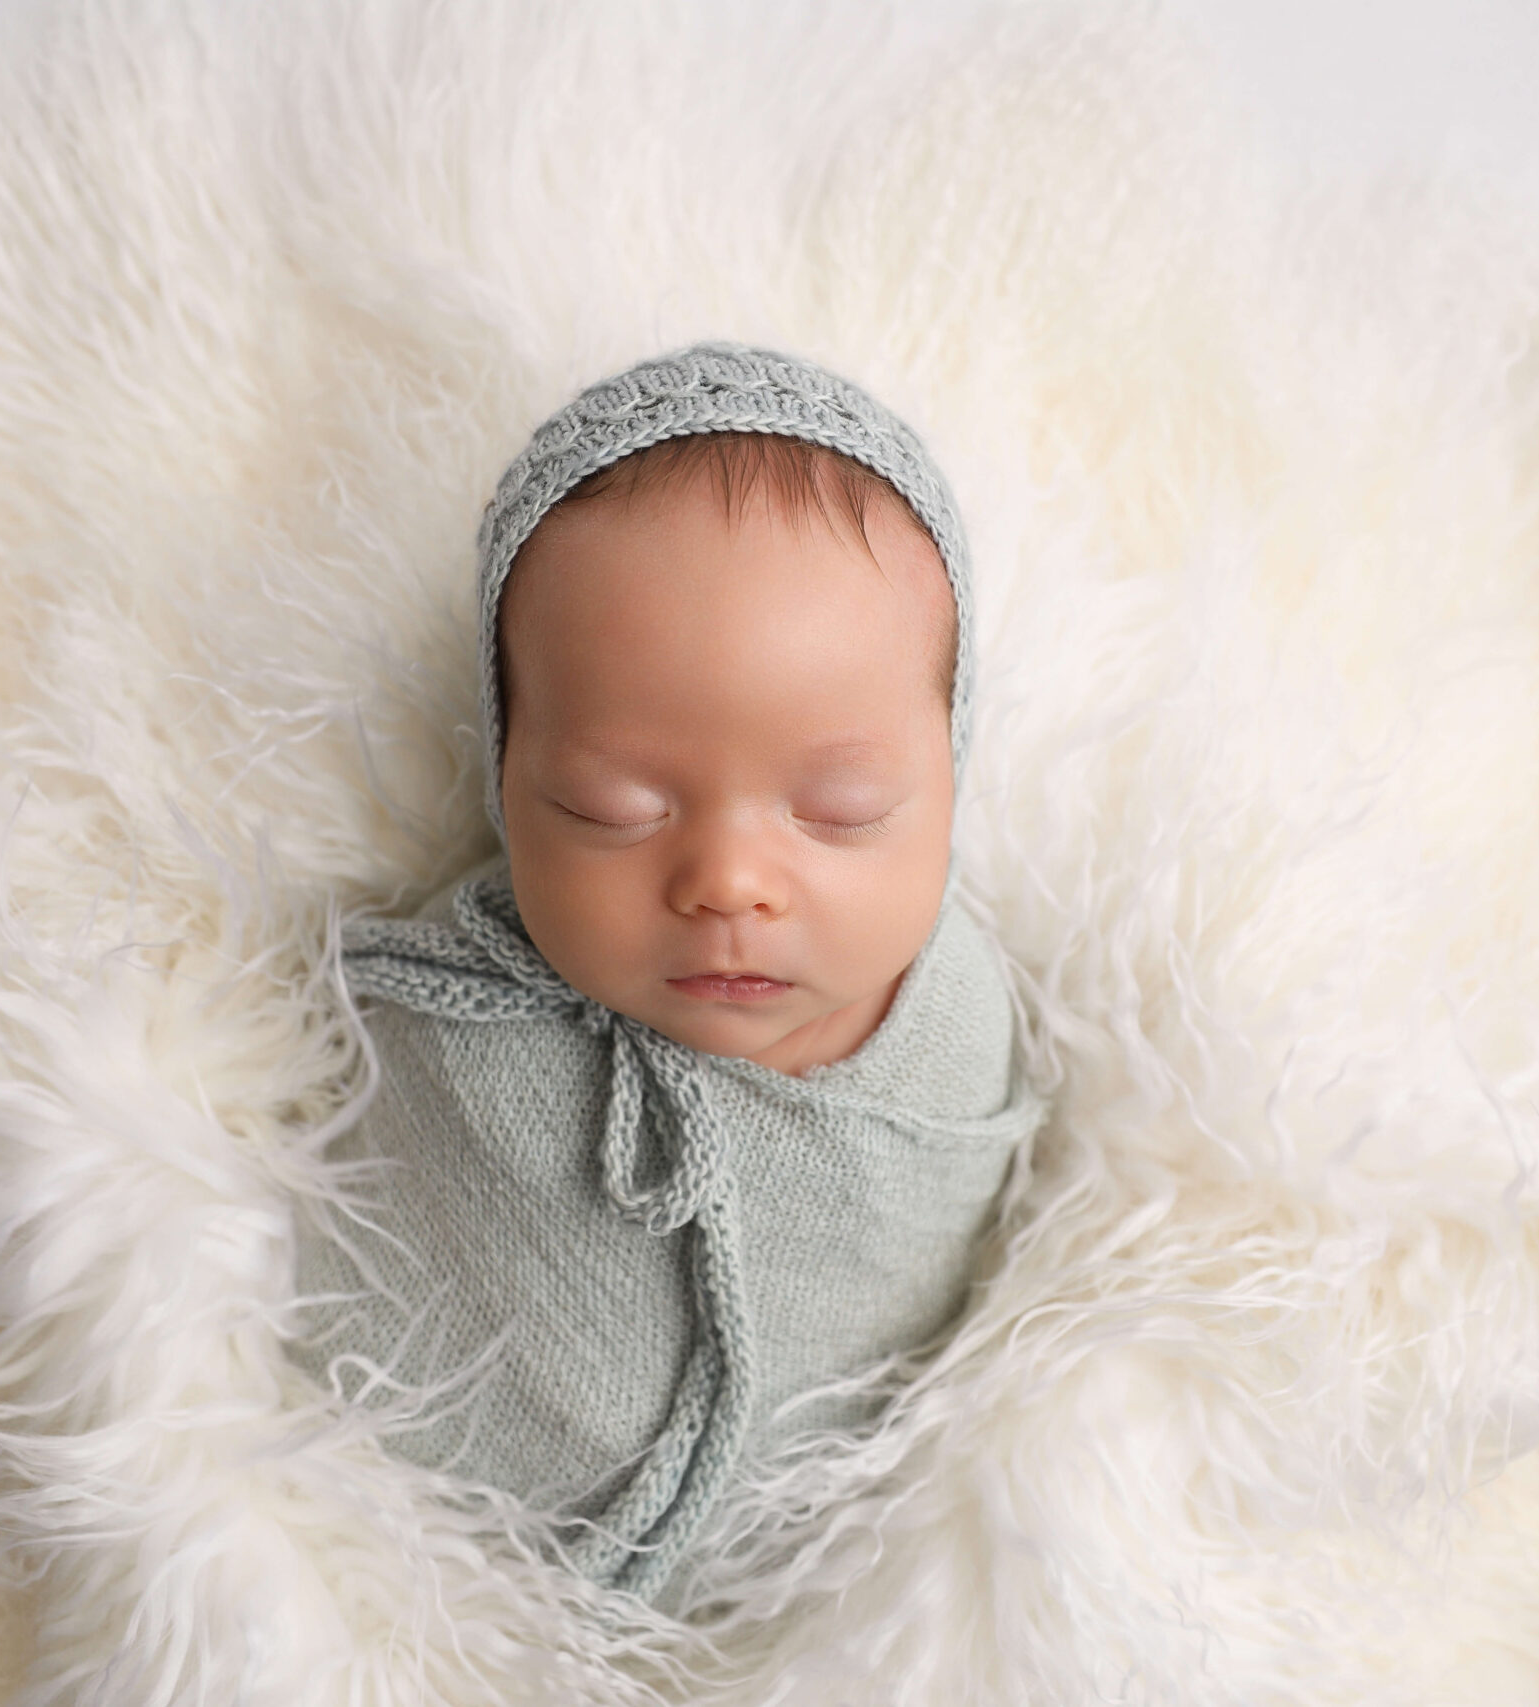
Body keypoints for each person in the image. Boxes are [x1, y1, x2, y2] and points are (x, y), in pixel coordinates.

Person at [290, 344, 1045, 1605]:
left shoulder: (961, 1037)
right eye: (611, 807)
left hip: (835, 1609)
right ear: (506, 778)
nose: (729, 883)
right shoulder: (439, 1041)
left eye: (843, 810)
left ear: (950, 779)